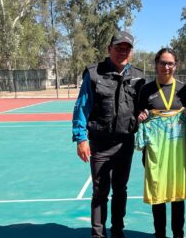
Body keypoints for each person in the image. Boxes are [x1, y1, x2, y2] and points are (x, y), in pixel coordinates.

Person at [72, 31, 145, 238]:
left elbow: (143, 108)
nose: (122, 52)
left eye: (127, 49)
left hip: (125, 143)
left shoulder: (139, 77)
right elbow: (81, 107)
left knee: (120, 190)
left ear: (131, 52)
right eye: (118, 48)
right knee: (100, 191)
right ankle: (98, 234)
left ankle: (118, 231)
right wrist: (81, 138)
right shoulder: (94, 74)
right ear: (109, 49)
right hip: (100, 143)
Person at [136, 48, 186, 238]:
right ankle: (159, 234)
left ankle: (178, 235)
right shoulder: (146, 90)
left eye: (170, 63)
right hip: (155, 152)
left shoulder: (184, 90)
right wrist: (141, 116)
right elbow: (138, 115)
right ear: (156, 64)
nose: (166, 67)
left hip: (178, 151)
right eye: (163, 63)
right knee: (158, 194)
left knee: (177, 196)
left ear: (175, 66)